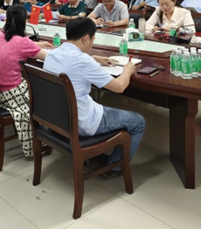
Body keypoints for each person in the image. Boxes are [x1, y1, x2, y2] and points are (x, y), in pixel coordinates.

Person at [44, 18, 145, 178]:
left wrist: (93, 58)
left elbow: (72, 62)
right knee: (138, 122)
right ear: (86, 38)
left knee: (96, 102)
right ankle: (114, 167)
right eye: (92, 39)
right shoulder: (83, 61)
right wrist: (127, 70)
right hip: (82, 122)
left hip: (57, 119)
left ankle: (98, 157)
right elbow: (119, 87)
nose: (92, 43)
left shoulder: (52, 54)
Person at [0, 6, 53, 158]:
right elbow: (50, 57)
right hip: (13, 93)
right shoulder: (22, 42)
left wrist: (36, 44)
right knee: (48, 94)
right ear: (24, 22)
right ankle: (43, 139)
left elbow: (16, 44)